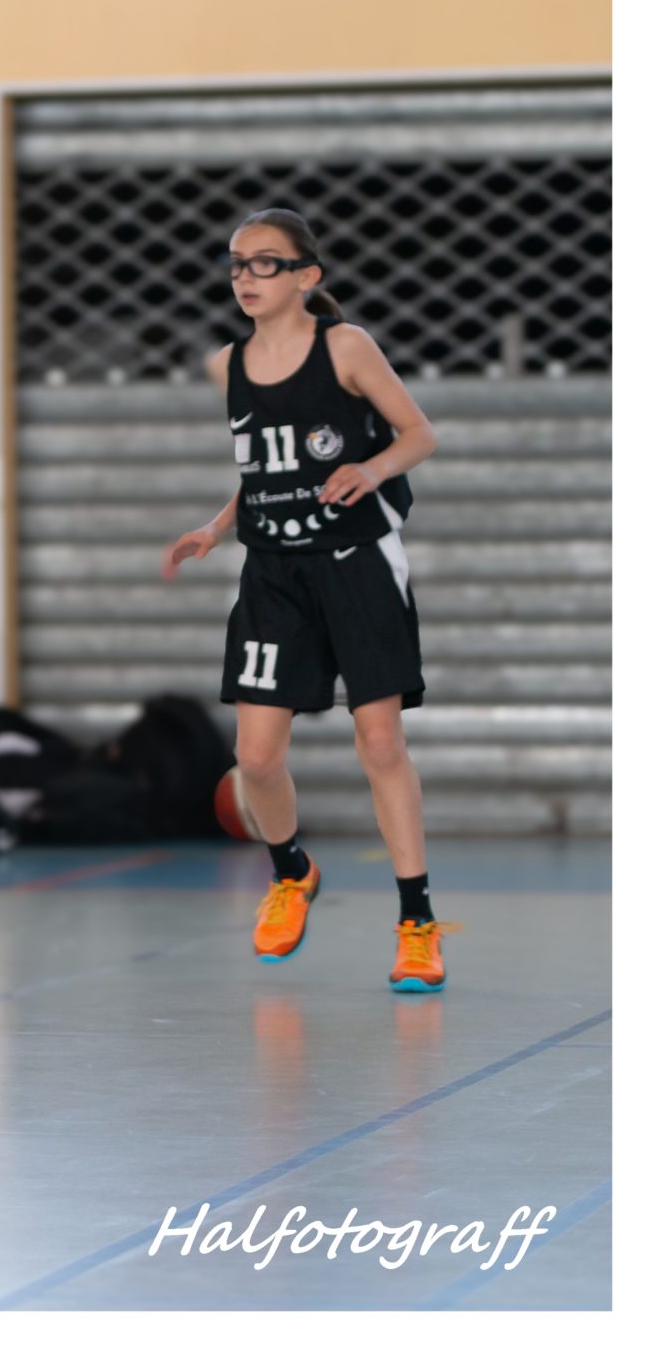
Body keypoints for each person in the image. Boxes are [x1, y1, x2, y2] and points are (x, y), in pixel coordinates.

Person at [162, 208, 448, 991]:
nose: (245, 277)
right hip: (272, 572)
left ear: (306, 276)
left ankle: (417, 923)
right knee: (254, 759)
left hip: (357, 562)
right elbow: (266, 468)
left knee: (380, 744)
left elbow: (419, 434)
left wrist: (372, 470)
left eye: (264, 262)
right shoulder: (227, 364)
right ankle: (291, 871)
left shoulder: (346, 347)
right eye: (236, 263)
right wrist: (219, 525)